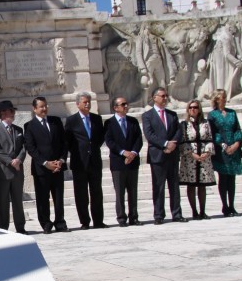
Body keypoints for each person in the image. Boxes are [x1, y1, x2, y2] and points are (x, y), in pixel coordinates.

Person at [141, 87, 186, 225]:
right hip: (158, 156)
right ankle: (159, 214)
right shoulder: (147, 115)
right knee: (158, 186)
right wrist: (166, 144)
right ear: (154, 98)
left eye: (166, 96)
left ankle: (177, 213)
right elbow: (150, 135)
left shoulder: (172, 114)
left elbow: (179, 131)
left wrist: (173, 144)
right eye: (162, 96)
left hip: (172, 155)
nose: (165, 98)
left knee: (174, 186)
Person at [23, 96, 68, 233]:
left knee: (58, 197)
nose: (44, 109)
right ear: (34, 109)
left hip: (57, 167)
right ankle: (46, 224)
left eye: (46, 106)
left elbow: (64, 143)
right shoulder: (29, 126)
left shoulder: (56, 122)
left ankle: (60, 223)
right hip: (41, 169)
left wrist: (61, 160)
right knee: (43, 198)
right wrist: (45, 163)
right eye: (41, 106)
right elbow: (31, 148)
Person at [64, 92, 106, 229]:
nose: (87, 104)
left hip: (94, 160)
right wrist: (79, 151)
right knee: (81, 194)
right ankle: (85, 221)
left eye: (89, 101)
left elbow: (100, 138)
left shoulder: (96, 119)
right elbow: (68, 141)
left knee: (97, 193)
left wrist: (91, 148)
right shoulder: (71, 121)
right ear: (77, 104)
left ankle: (98, 221)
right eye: (84, 102)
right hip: (79, 162)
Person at [0, 100, 27, 233]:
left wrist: (19, 160)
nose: (9, 113)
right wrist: (11, 162)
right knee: (3, 202)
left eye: (11, 111)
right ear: (1, 114)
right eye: (5, 111)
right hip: (2, 171)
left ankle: (20, 227)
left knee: (17, 201)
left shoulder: (18, 129)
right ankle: (3, 228)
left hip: (17, 171)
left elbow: (23, 147)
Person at [103, 96, 143, 227]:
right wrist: (123, 152)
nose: (126, 106)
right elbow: (109, 141)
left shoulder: (133, 121)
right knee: (120, 192)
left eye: (127, 104)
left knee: (133, 190)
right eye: (123, 104)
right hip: (118, 162)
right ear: (115, 107)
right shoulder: (109, 123)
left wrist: (133, 153)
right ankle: (121, 217)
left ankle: (134, 216)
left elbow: (138, 139)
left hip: (132, 161)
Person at [207, 90, 242, 217]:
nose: (224, 99)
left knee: (231, 178)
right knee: (223, 178)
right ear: (217, 99)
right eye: (222, 97)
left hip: (233, 147)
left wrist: (237, 143)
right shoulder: (212, 115)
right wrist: (222, 144)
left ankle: (232, 205)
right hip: (221, 150)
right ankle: (225, 205)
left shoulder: (232, 113)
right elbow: (212, 132)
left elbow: (237, 128)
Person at [178, 100, 215, 220]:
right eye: (190, 108)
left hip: (204, 156)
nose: (193, 109)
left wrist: (207, 152)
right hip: (190, 157)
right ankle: (194, 211)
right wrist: (191, 154)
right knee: (191, 185)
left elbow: (210, 138)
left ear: (199, 109)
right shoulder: (184, 124)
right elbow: (182, 141)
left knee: (202, 185)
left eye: (195, 107)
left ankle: (203, 211)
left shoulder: (206, 123)